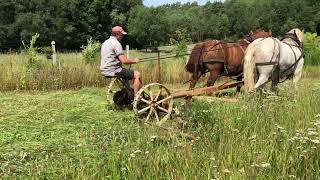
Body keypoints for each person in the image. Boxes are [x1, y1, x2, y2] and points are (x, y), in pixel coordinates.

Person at [100, 26, 142, 94]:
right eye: (122, 34)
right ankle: (137, 97)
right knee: (137, 74)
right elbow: (124, 61)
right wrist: (134, 60)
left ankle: (129, 94)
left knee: (125, 73)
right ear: (117, 34)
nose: (123, 36)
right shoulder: (116, 44)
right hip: (114, 70)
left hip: (105, 70)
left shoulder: (105, 42)